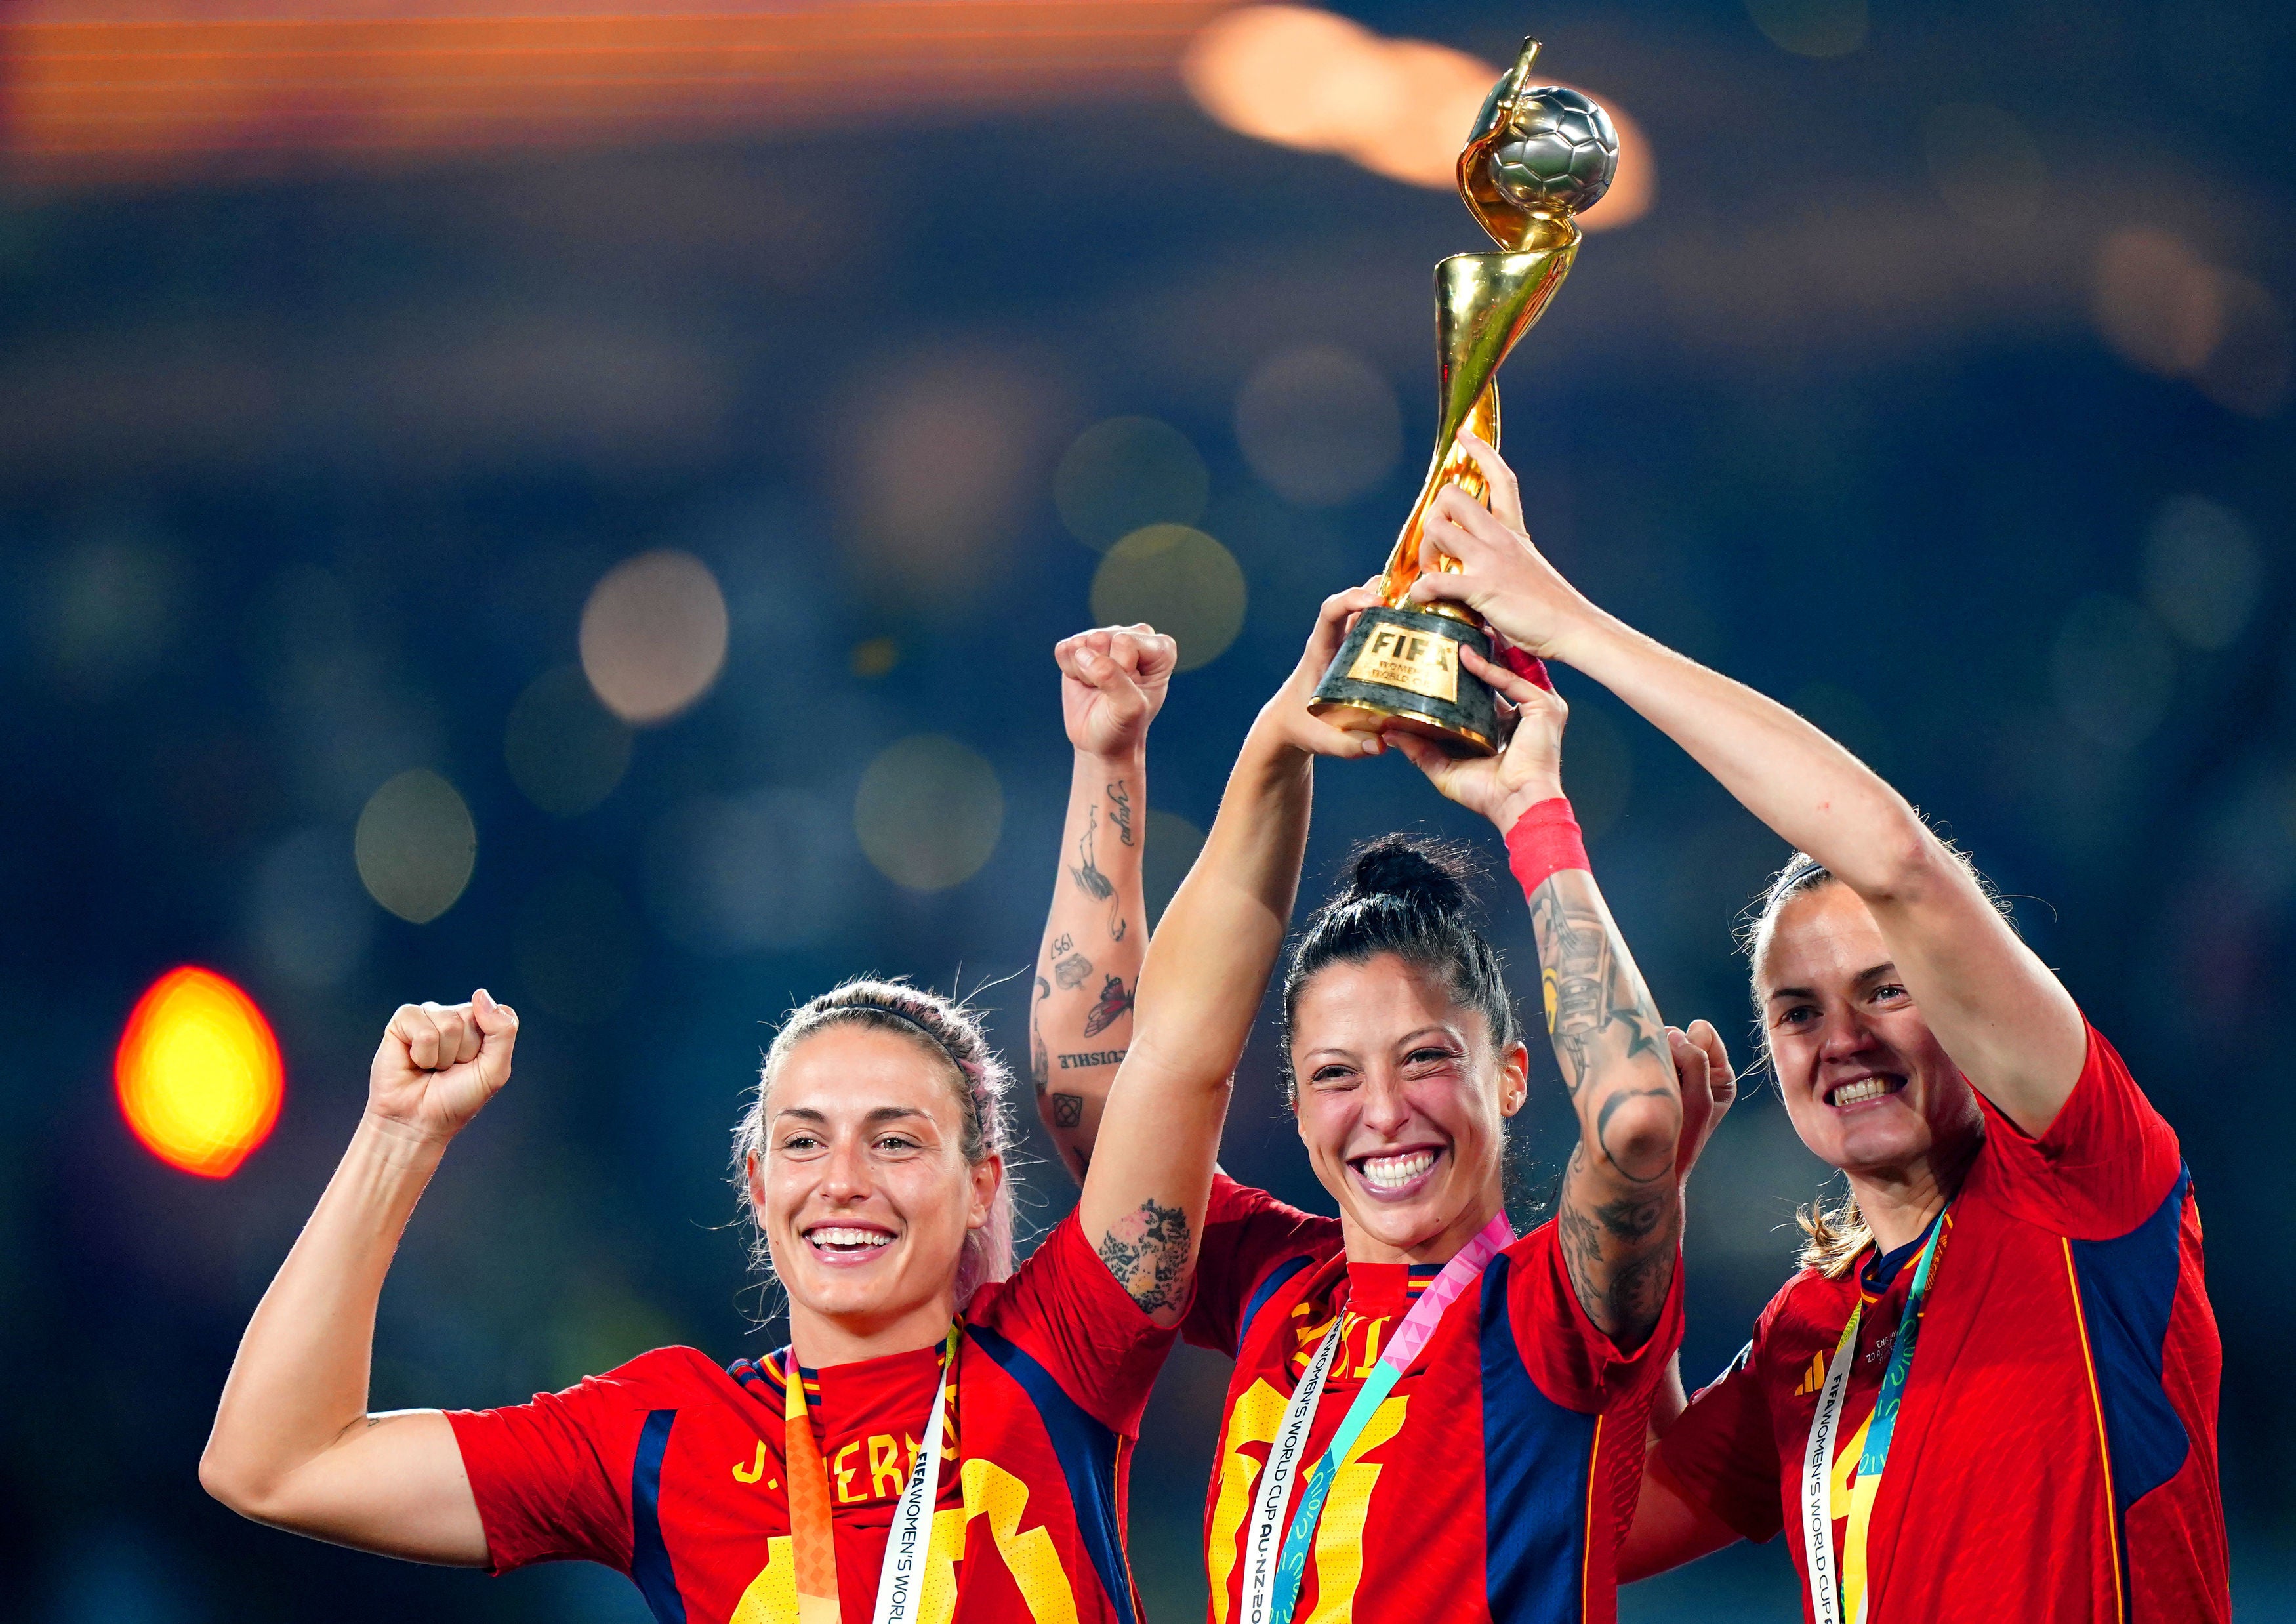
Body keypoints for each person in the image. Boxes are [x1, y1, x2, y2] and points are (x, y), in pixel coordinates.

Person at [195, 631, 1244, 1624]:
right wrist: (395, 1136)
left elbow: (1164, 1063)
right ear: (755, 1183)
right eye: (802, 1140)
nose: (843, 1179)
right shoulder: (663, 1440)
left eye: (895, 1140)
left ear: (978, 1184)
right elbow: (272, 1463)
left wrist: (1121, 761)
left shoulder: (1061, 1350)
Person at [1407, 429, 2228, 1623]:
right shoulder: (1815, 1330)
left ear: (1965, 1001)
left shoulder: (2083, 1187)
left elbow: (1894, 858)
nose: (1840, 1037)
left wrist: (1568, 623)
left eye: (1886, 988)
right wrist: (1650, 1206)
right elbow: (1613, 1522)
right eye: (1795, 1012)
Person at [1031, 589, 1736, 1624]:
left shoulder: (1551, 1313)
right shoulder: (1278, 1285)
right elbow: (1101, 1106)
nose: (1385, 1111)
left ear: (1510, 1076)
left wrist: (1532, 807)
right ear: (1296, 1103)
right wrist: (1263, 747)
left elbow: (1632, 1122)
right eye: (1334, 1074)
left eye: (1424, 1059)